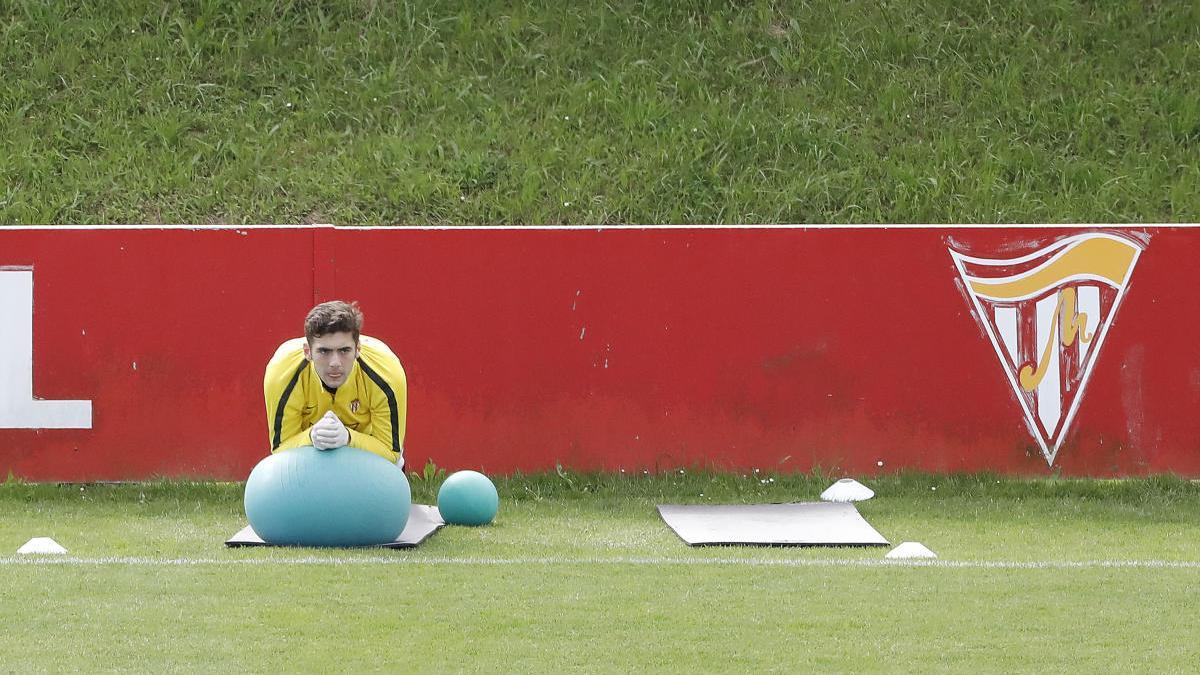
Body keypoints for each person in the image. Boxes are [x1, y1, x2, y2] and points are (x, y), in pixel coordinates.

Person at [263, 300, 407, 467]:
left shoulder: (387, 373)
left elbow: (391, 452)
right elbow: (281, 451)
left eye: (344, 350)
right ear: (307, 352)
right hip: (310, 454)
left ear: (358, 349)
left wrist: (347, 437)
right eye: (324, 351)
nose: (335, 363)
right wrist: (311, 436)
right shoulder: (282, 373)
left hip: (367, 452)